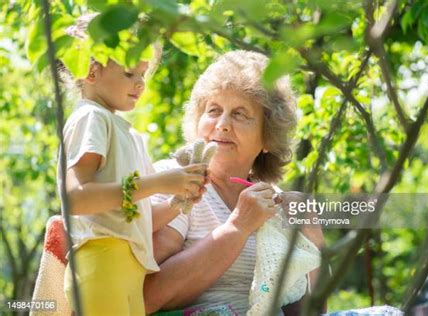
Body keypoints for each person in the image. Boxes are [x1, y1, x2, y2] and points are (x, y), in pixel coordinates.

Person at [144, 50, 325, 315]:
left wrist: (314, 240)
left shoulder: (276, 203)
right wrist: (238, 227)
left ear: (268, 138)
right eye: (213, 110)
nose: (222, 124)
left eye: (240, 114)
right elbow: (147, 297)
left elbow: (312, 310)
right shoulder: (173, 180)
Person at [58, 15, 207, 316]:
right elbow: (75, 198)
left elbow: (140, 217)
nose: (140, 83)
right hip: (102, 261)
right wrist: (161, 183)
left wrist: (180, 199)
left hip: (127, 266)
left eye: (143, 74)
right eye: (129, 73)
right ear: (91, 71)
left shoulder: (126, 132)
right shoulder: (92, 118)